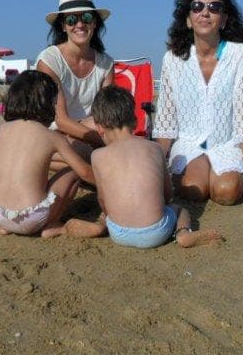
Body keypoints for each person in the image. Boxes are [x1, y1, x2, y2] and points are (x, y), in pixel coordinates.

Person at [153, 0, 243, 205]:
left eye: (214, 7)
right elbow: (166, 120)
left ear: (224, 19)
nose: (205, 12)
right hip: (189, 143)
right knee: (194, 190)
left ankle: (232, 175)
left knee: (226, 192)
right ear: (187, 19)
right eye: (197, 6)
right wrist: (155, 169)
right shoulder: (173, 59)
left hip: (227, 143)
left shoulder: (242, 55)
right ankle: (200, 170)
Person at [64, 86, 223, 248]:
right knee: (179, 210)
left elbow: (103, 200)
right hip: (156, 233)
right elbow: (167, 195)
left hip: (118, 233)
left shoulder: (97, 156)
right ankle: (183, 234)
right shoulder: (155, 149)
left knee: (108, 211)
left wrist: (109, 215)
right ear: (134, 120)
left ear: (99, 128)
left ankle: (101, 224)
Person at [0, 70, 98, 238]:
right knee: (72, 172)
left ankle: (7, 226)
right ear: (48, 103)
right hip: (32, 219)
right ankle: (52, 225)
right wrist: (108, 185)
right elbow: (85, 172)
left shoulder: (1, 130)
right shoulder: (51, 136)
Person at [35, 0, 114, 163]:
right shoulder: (49, 61)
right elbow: (60, 120)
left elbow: (106, 113)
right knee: (103, 154)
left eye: (86, 17)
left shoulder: (106, 64)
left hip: (88, 132)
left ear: (94, 22)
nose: (79, 24)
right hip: (52, 134)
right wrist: (107, 142)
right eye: (71, 20)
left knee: (105, 126)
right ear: (63, 26)